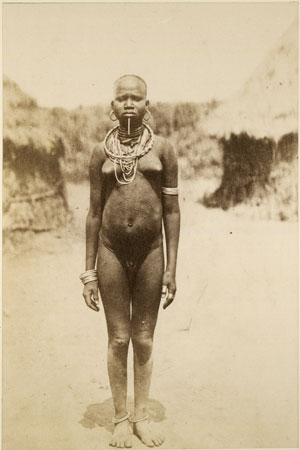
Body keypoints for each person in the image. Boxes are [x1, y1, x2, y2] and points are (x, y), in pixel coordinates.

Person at [81, 74, 180, 448]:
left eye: (135, 98)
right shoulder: (100, 152)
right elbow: (92, 213)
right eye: (121, 98)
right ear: (111, 107)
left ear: (147, 106)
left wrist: (171, 267)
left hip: (152, 253)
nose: (128, 103)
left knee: (144, 338)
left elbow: (171, 210)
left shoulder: (164, 150)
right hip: (110, 251)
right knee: (118, 337)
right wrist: (89, 272)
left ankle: (141, 417)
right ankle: (121, 418)